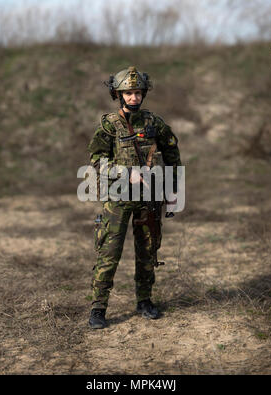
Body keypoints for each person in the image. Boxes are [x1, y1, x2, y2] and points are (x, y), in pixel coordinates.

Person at [87, 66, 182, 329]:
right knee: (109, 252)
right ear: (118, 94)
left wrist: (174, 188)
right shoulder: (109, 125)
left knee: (147, 250)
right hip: (117, 198)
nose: (134, 98)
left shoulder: (154, 123)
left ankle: (144, 300)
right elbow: (95, 159)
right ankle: (98, 308)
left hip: (149, 197)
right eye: (128, 93)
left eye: (138, 92)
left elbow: (172, 152)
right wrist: (123, 172)